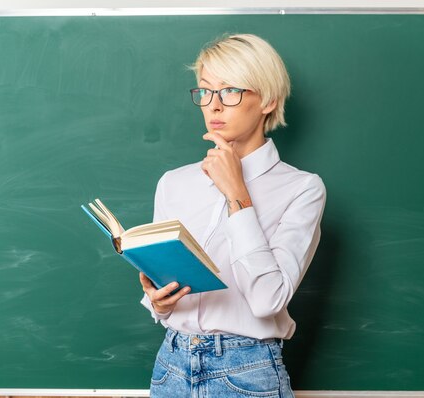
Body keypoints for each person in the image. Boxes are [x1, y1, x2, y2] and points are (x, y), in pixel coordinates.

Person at [139, 33, 326, 397]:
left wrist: (236, 193)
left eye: (230, 91)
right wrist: (157, 302)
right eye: (205, 92)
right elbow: (161, 287)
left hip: (246, 370)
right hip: (170, 367)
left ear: (268, 100)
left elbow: (268, 300)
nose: (214, 106)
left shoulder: (302, 189)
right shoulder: (173, 183)